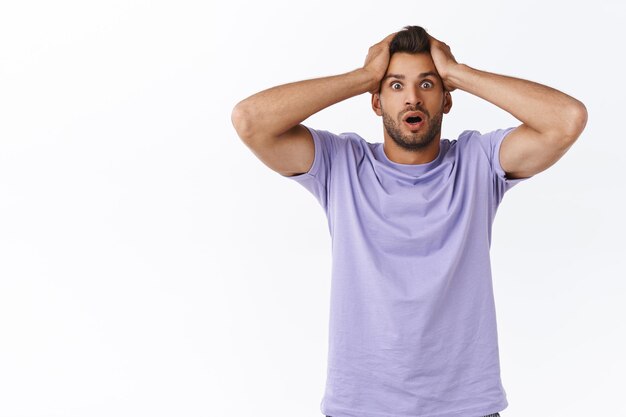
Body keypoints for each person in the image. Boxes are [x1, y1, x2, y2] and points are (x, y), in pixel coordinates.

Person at [231, 25, 587, 417]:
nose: (412, 98)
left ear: (446, 100)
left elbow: (567, 120)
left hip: (466, 408)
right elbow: (249, 120)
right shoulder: (341, 164)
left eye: (428, 85)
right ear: (376, 102)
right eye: (396, 86)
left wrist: (458, 72)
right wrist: (362, 77)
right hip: (361, 407)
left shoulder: (477, 161)